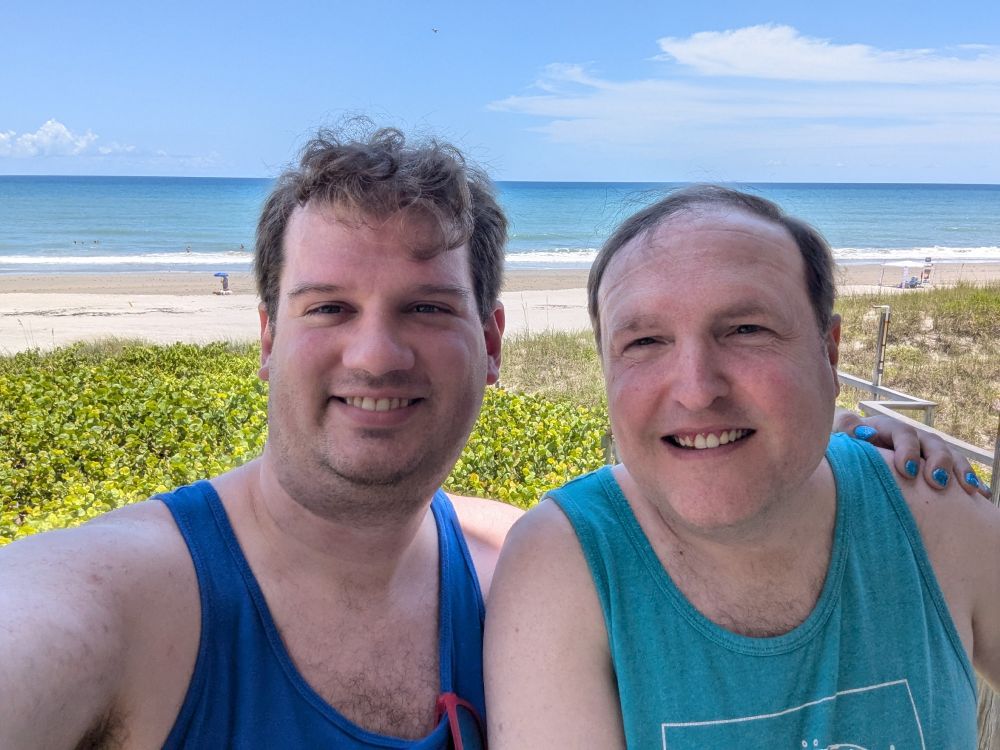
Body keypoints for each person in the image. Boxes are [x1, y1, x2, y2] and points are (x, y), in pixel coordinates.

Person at [0, 134, 978, 749]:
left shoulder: (525, 566)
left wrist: (828, 432)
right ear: (266, 339)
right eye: (329, 306)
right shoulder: (116, 601)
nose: (377, 353)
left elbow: (710, 488)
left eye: (426, 307)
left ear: (493, 342)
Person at [484, 185, 999, 748]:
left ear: (828, 355)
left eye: (745, 330)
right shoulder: (565, 565)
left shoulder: (931, 512)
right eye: (647, 341)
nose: (698, 390)